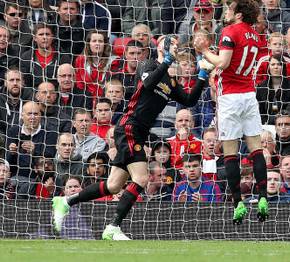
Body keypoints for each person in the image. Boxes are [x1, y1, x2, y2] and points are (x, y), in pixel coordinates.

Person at [52, 35, 210, 240]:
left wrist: (203, 75)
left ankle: (65, 202)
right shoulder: (148, 64)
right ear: (159, 47)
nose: (173, 46)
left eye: (175, 44)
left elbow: (189, 100)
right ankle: (113, 227)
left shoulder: (171, 80)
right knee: (142, 178)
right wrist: (167, 62)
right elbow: (149, 84)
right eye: (168, 42)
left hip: (139, 132)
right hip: (129, 127)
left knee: (113, 186)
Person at [194, 0, 269, 224]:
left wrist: (204, 51)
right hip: (249, 95)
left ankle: (238, 203)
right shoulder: (255, 36)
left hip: (230, 97)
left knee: (230, 152)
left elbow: (224, 63)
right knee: (256, 148)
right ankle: (263, 198)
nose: (226, 11)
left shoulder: (230, 30)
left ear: (238, 15)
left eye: (230, 8)